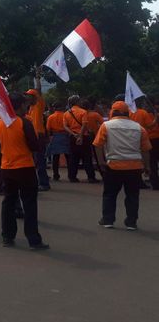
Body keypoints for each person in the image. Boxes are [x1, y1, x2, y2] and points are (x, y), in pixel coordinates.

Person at [0, 92, 50, 250]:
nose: (27, 107)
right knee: (30, 204)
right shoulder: (24, 123)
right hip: (25, 167)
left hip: (6, 168)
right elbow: (34, 146)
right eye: (25, 104)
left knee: (8, 203)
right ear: (19, 106)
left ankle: (7, 237)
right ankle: (33, 240)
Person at [93, 101, 152, 230]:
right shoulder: (139, 127)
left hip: (113, 166)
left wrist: (101, 162)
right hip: (135, 167)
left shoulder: (106, 126)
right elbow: (146, 149)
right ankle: (131, 222)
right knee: (132, 195)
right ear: (127, 113)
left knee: (110, 194)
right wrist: (147, 167)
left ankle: (108, 220)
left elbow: (97, 145)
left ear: (112, 112)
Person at [63, 95, 98, 183]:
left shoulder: (66, 113)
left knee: (73, 158)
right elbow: (84, 124)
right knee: (87, 157)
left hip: (72, 137)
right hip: (84, 137)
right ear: (78, 102)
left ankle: (72, 177)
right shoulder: (83, 112)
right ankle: (91, 177)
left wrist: (73, 134)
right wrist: (80, 136)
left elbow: (65, 126)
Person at [25, 70, 50, 191]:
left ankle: (44, 183)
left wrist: (38, 77)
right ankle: (40, 181)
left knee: (40, 161)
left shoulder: (39, 104)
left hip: (39, 135)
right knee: (36, 161)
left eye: (29, 96)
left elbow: (38, 90)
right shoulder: (30, 108)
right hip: (34, 136)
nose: (27, 97)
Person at [130, 96, 159, 189]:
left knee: (137, 161)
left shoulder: (129, 113)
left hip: (133, 139)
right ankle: (155, 182)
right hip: (150, 139)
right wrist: (156, 119)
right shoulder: (143, 113)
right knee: (152, 161)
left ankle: (139, 181)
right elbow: (151, 126)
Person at [46, 102, 69, 181]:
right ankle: (71, 174)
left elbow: (48, 129)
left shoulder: (51, 117)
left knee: (55, 157)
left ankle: (56, 175)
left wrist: (49, 139)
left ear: (54, 108)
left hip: (55, 136)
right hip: (65, 135)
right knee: (68, 156)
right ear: (62, 107)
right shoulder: (66, 115)